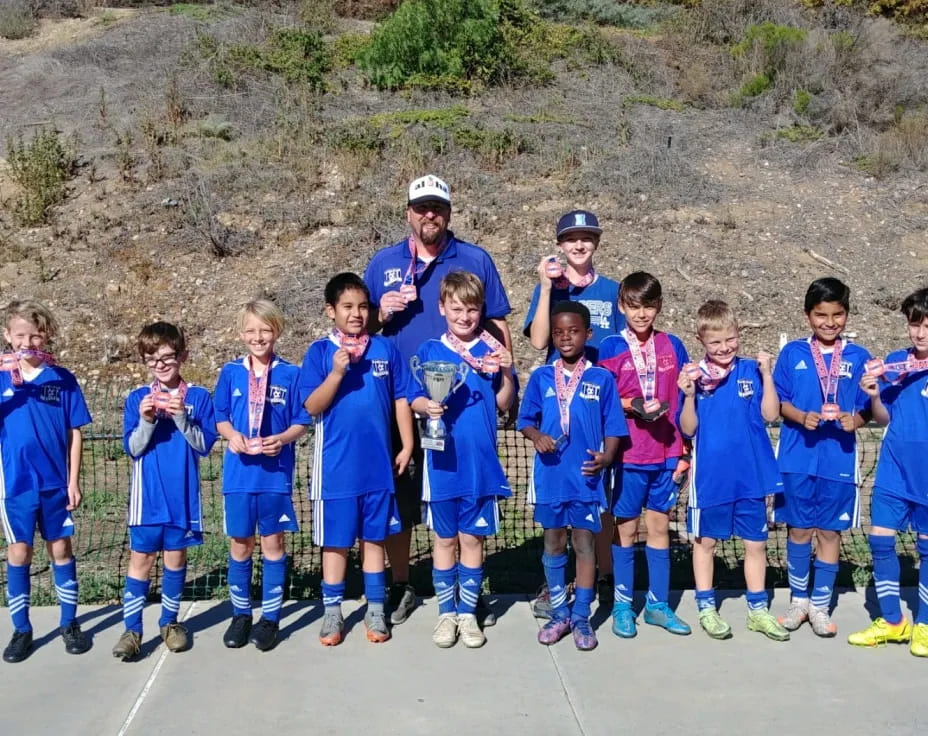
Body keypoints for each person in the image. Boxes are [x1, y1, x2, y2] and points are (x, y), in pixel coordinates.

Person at [363, 174, 511, 626]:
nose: (430, 215)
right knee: (403, 497)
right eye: (422, 207)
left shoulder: (473, 258)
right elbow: (360, 330)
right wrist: (381, 312)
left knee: (464, 494)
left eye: (438, 208)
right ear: (408, 212)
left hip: (467, 409)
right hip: (401, 402)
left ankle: (468, 598)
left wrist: (507, 375)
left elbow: (498, 323)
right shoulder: (385, 262)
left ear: (449, 212)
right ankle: (404, 583)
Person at [300, 273, 414, 646]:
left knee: (374, 539)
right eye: (347, 307)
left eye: (363, 306)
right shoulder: (320, 352)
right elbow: (312, 406)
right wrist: (336, 373)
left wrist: (408, 443)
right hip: (336, 470)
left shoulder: (384, 350)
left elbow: (401, 399)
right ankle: (332, 612)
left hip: (378, 467)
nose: (356, 314)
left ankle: (376, 609)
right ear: (330, 311)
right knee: (335, 543)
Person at [408, 271, 515, 648]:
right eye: (456, 309)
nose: (465, 316)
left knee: (472, 540)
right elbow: (413, 398)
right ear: (442, 308)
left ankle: (468, 614)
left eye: (471, 309)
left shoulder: (492, 348)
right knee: (444, 540)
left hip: (481, 463)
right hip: (441, 464)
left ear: (481, 310)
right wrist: (427, 406)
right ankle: (445, 614)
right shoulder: (429, 351)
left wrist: (505, 370)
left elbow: (504, 403)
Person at [524, 210, 624, 607]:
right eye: (570, 239)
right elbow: (536, 342)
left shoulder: (611, 289)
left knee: (597, 503)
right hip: (558, 399)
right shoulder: (550, 288)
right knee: (557, 520)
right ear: (560, 245)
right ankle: (556, 587)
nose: (579, 245)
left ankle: (601, 580)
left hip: (598, 400)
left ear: (596, 242)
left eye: (586, 237)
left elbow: (620, 346)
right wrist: (546, 288)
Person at [676, 301, 789, 641]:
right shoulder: (694, 376)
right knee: (705, 542)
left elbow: (771, 414)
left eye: (730, 339)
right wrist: (687, 396)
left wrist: (768, 374)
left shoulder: (750, 371)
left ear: (739, 335)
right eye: (715, 342)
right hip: (711, 478)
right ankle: (706, 608)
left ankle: (758, 610)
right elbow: (688, 428)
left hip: (752, 476)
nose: (724, 348)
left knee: (756, 544)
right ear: (701, 340)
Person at [518, 302, 626, 651]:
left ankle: (581, 616)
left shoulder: (601, 378)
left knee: (584, 544)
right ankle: (559, 614)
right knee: (553, 542)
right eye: (559, 332)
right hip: (551, 477)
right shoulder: (540, 377)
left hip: (586, 478)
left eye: (573, 331)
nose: (566, 337)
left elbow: (614, 426)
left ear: (588, 334)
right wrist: (537, 436)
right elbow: (525, 420)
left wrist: (607, 456)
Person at [112, 322, 218, 660]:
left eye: (168, 358)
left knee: (176, 559)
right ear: (145, 362)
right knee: (140, 559)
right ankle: (132, 629)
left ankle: (169, 623)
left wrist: (182, 420)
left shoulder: (198, 397)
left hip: (183, 496)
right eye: (152, 359)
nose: (161, 365)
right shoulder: (137, 398)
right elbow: (133, 448)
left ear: (182, 356)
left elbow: (204, 445)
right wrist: (147, 420)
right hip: (148, 498)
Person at [774, 277, 871, 637]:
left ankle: (820, 604)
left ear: (846, 314)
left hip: (838, 460)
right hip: (797, 457)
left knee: (830, 532)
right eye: (821, 315)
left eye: (837, 314)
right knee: (798, 529)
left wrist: (856, 419)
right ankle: (798, 600)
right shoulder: (793, 354)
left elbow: (870, 406)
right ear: (807, 316)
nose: (829, 322)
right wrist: (800, 416)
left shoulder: (859, 357)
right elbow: (778, 402)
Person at [598, 272, 692, 638]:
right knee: (625, 531)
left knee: (658, 529)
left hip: (666, 452)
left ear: (660, 307)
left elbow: (684, 400)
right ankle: (623, 604)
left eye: (648, 307)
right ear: (621, 306)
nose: (641, 315)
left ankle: (657, 604)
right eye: (634, 307)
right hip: (627, 455)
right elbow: (604, 400)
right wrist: (631, 404)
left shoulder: (673, 345)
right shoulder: (609, 346)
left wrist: (684, 450)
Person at [214, 299, 311, 651]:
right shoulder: (230, 372)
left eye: (265, 330)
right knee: (240, 544)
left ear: (277, 331)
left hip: (274, 475)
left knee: (274, 544)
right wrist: (233, 436)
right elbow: (220, 415)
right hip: (239, 476)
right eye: (252, 330)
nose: (258, 337)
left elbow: (303, 420)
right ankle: (241, 615)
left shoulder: (291, 373)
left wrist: (282, 440)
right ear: (242, 334)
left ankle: (270, 618)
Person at [1, 299, 92, 663]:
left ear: (47, 337)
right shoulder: (2, 377)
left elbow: (75, 433)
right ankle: (22, 629)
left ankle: (69, 622)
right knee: (19, 552)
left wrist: (73, 480)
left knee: (61, 551)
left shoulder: (62, 379)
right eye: (20, 335)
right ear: (7, 336)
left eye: (36, 336)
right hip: (15, 486)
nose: (28, 343)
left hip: (56, 484)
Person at [848, 286, 928, 656]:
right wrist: (875, 395)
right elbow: (883, 418)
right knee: (880, 540)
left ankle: (924, 625)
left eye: (927, 325)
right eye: (915, 324)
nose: (921, 333)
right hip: (894, 470)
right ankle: (893, 622)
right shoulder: (897, 362)